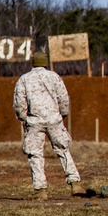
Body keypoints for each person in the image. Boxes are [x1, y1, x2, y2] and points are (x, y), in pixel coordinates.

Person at [12, 51, 84, 200]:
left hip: (34, 121)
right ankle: (75, 183)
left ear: (33, 63)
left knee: (35, 154)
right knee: (63, 149)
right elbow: (63, 98)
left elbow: (19, 104)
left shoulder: (24, 79)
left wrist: (24, 118)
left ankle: (41, 190)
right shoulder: (54, 77)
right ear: (45, 62)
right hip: (54, 119)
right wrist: (61, 115)